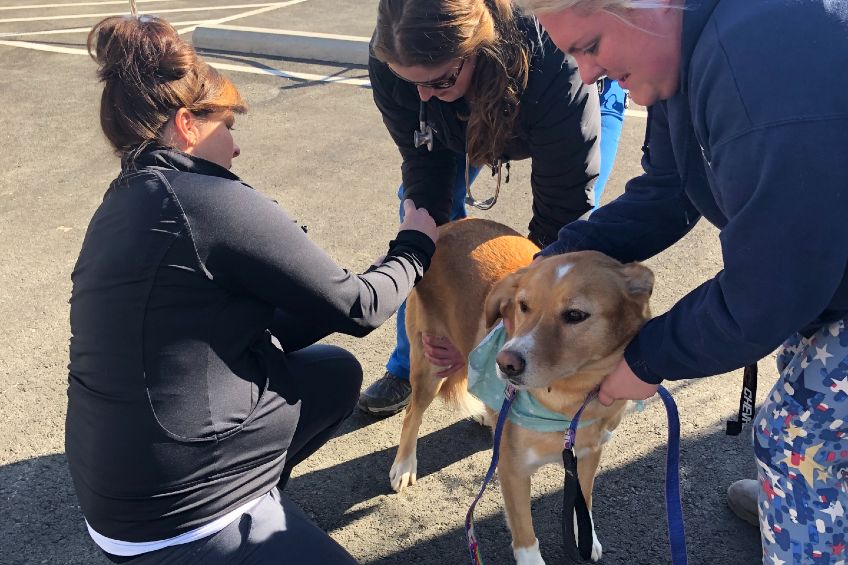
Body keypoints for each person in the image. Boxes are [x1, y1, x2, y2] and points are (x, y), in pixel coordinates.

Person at [67, 15, 438, 563]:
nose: (236, 147)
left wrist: (362, 277)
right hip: (181, 517)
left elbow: (283, 320)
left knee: (333, 372)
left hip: (116, 493)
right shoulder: (207, 199)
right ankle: (241, 522)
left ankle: (263, 491)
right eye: (228, 126)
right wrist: (414, 247)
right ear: (187, 124)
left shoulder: (127, 200)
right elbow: (359, 308)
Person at [508, 0, 848, 562]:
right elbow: (667, 191)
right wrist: (550, 263)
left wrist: (647, 359)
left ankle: (805, 501)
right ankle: (803, 499)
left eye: (589, 46)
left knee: (795, 440)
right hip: (825, 269)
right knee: (807, 413)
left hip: (815, 270)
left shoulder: (756, 64)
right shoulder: (677, 63)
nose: (587, 74)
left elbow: (769, 286)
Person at [359, 0, 614, 416]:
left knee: (574, 254)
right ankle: (411, 365)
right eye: (410, 84)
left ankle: (543, 374)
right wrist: (420, 253)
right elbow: (423, 158)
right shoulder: (397, 58)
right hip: (454, 123)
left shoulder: (555, 60)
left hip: (556, 99)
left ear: (477, 48)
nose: (421, 94)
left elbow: (562, 210)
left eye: (436, 81)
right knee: (419, 221)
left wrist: (491, 341)